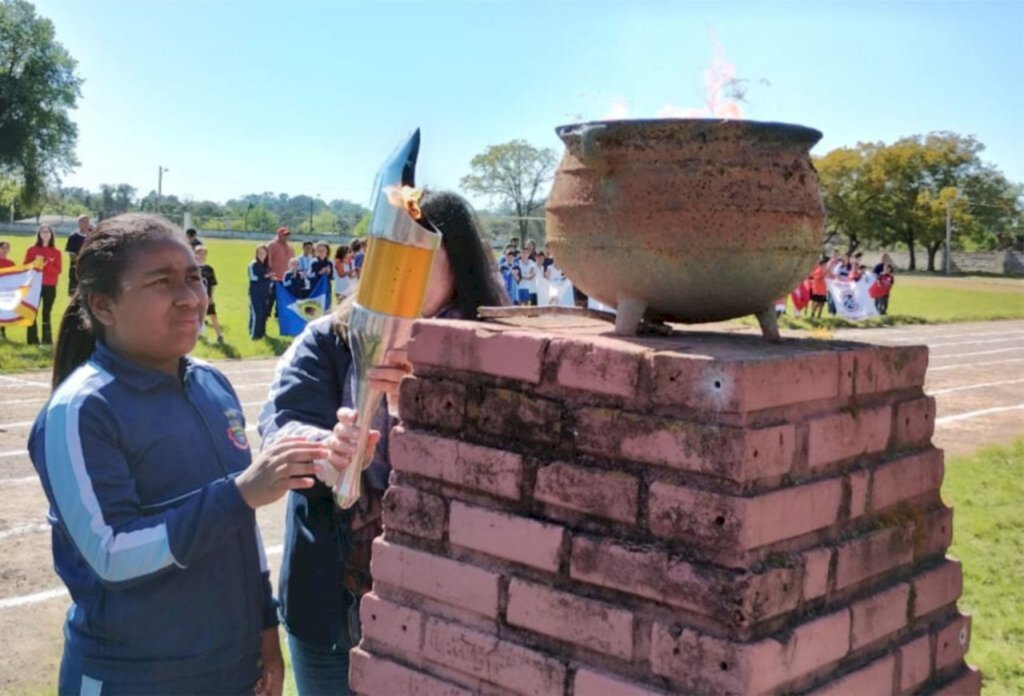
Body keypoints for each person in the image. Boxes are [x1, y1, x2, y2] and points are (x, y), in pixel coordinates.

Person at [29, 212, 331, 695]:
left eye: (193, 277)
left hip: (230, 669)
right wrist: (239, 494)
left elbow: (241, 529)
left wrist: (265, 631)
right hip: (131, 676)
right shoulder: (81, 409)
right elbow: (110, 553)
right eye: (162, 281)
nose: (191, 297)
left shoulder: (211, 384)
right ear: (103, 305)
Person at [258, 190, 508, 695]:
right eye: (387, 254)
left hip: (450, 603)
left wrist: (412, 413)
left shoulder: (493, 353)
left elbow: (501, 472)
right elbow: (284, 424)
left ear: (458, 266)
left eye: (416, 260)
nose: (399, 277)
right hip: (330, 601)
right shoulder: (329, 339)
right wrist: (332, 451)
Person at [25, 225, 63, 345]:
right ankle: (32, 340)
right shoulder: (32, 249)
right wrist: (35, 263)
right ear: (39, 234)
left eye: (47, 232)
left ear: (51, 235)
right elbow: (25, 267)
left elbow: (58, 271)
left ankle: (47, 340)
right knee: (32, 312)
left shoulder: (56, 252)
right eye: (42, 231)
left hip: (50, 285)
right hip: (34, 286)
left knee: (46, 312)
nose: (45, 234)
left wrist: (47, 264)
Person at [194, 245, 224, 343]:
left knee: (212, 315)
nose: (201, 256)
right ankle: (197, 334)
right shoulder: (192, 268)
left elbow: (213, 284)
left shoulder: (209, 269)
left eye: (204, 254)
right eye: (199, 253)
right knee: (196, 316)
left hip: (207, 296)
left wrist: (211, 296)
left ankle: (219, 335)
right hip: (195, 297)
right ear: (195, 254)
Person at [267, 227, 295, 318]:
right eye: (285, 235)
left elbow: (293, 261)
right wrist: (270, 274)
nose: (287, 237)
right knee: (270, 299)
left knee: (283, 299)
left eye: (288, 235)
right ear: (279, 235)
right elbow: (268, 261)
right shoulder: (272, 245)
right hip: (275, 278)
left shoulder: (290, 247)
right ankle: (266, 315)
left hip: (286, 279)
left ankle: (279, 315)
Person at [249, 244, 274, 340]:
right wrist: (265, 276)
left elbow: (268, 280)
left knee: (264, 313)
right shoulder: (253, 264)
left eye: (263, 252)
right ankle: (255, 336)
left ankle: (262, 333)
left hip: (265, 292)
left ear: (267, 254)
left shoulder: (267, 265)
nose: (261, 254)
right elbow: (253, 277)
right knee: (258, 313)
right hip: (255, 292)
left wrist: (271, 279)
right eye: (259, 252)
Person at [66, 215, 93, 296]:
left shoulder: (92, 236)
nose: (85, 224)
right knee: (73, 293)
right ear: (78, 223)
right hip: (76, 269)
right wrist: (82, 262)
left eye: (87, 222)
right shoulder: (73, 237)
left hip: (89, 270)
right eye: (82, 221)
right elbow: (72, 255)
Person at [0, 240, 13, 339]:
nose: (5, 250)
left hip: (5, 291)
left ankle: (2, 332)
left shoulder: (11, 263)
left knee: (3, 311)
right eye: (3, 247)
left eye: (7, 248)